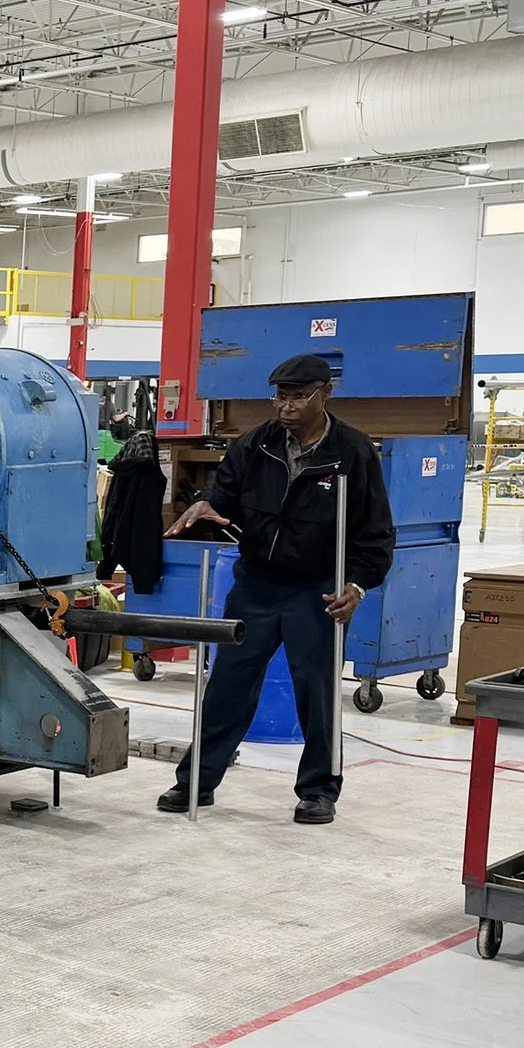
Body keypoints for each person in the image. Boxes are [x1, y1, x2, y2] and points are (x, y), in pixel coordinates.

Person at [160, 353, 395, 825]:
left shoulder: (353, 452)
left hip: (317, 591)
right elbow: (223, 492)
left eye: (297, 397)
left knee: (319, 693)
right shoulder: (255, 445)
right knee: (228, 685)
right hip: (256, 586)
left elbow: (376, 534)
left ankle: (319, 790)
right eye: (280, 397)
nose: (285, 408)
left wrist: (357, 585)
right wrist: (207, 505)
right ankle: (196, 782)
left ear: (324, 394)